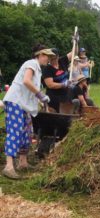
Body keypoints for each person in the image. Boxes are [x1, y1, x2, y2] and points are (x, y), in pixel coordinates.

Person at [2, 45, 54, 179]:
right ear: (40, 55)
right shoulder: (31, 63)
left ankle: (23, 163)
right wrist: (40, 94)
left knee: (27, 132)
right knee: (15, 131)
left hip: (24, 105)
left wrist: (40, 100)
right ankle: (8, 167)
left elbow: (31, 90)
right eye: (47, 56)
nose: (48, 60)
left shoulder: (38, 70)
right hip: (16, 102)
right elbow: (26, 81)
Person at [42, 47, 73, 113]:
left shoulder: (62, 61)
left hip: (66, 96)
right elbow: (50, 85)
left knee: (66, 116)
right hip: (54, 98)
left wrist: (76, 42)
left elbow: (74, 53)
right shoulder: (47, 69)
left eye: (54, 58)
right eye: (50, 59)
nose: (52, 61)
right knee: (56, 117)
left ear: (58, 56)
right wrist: (63, 85)